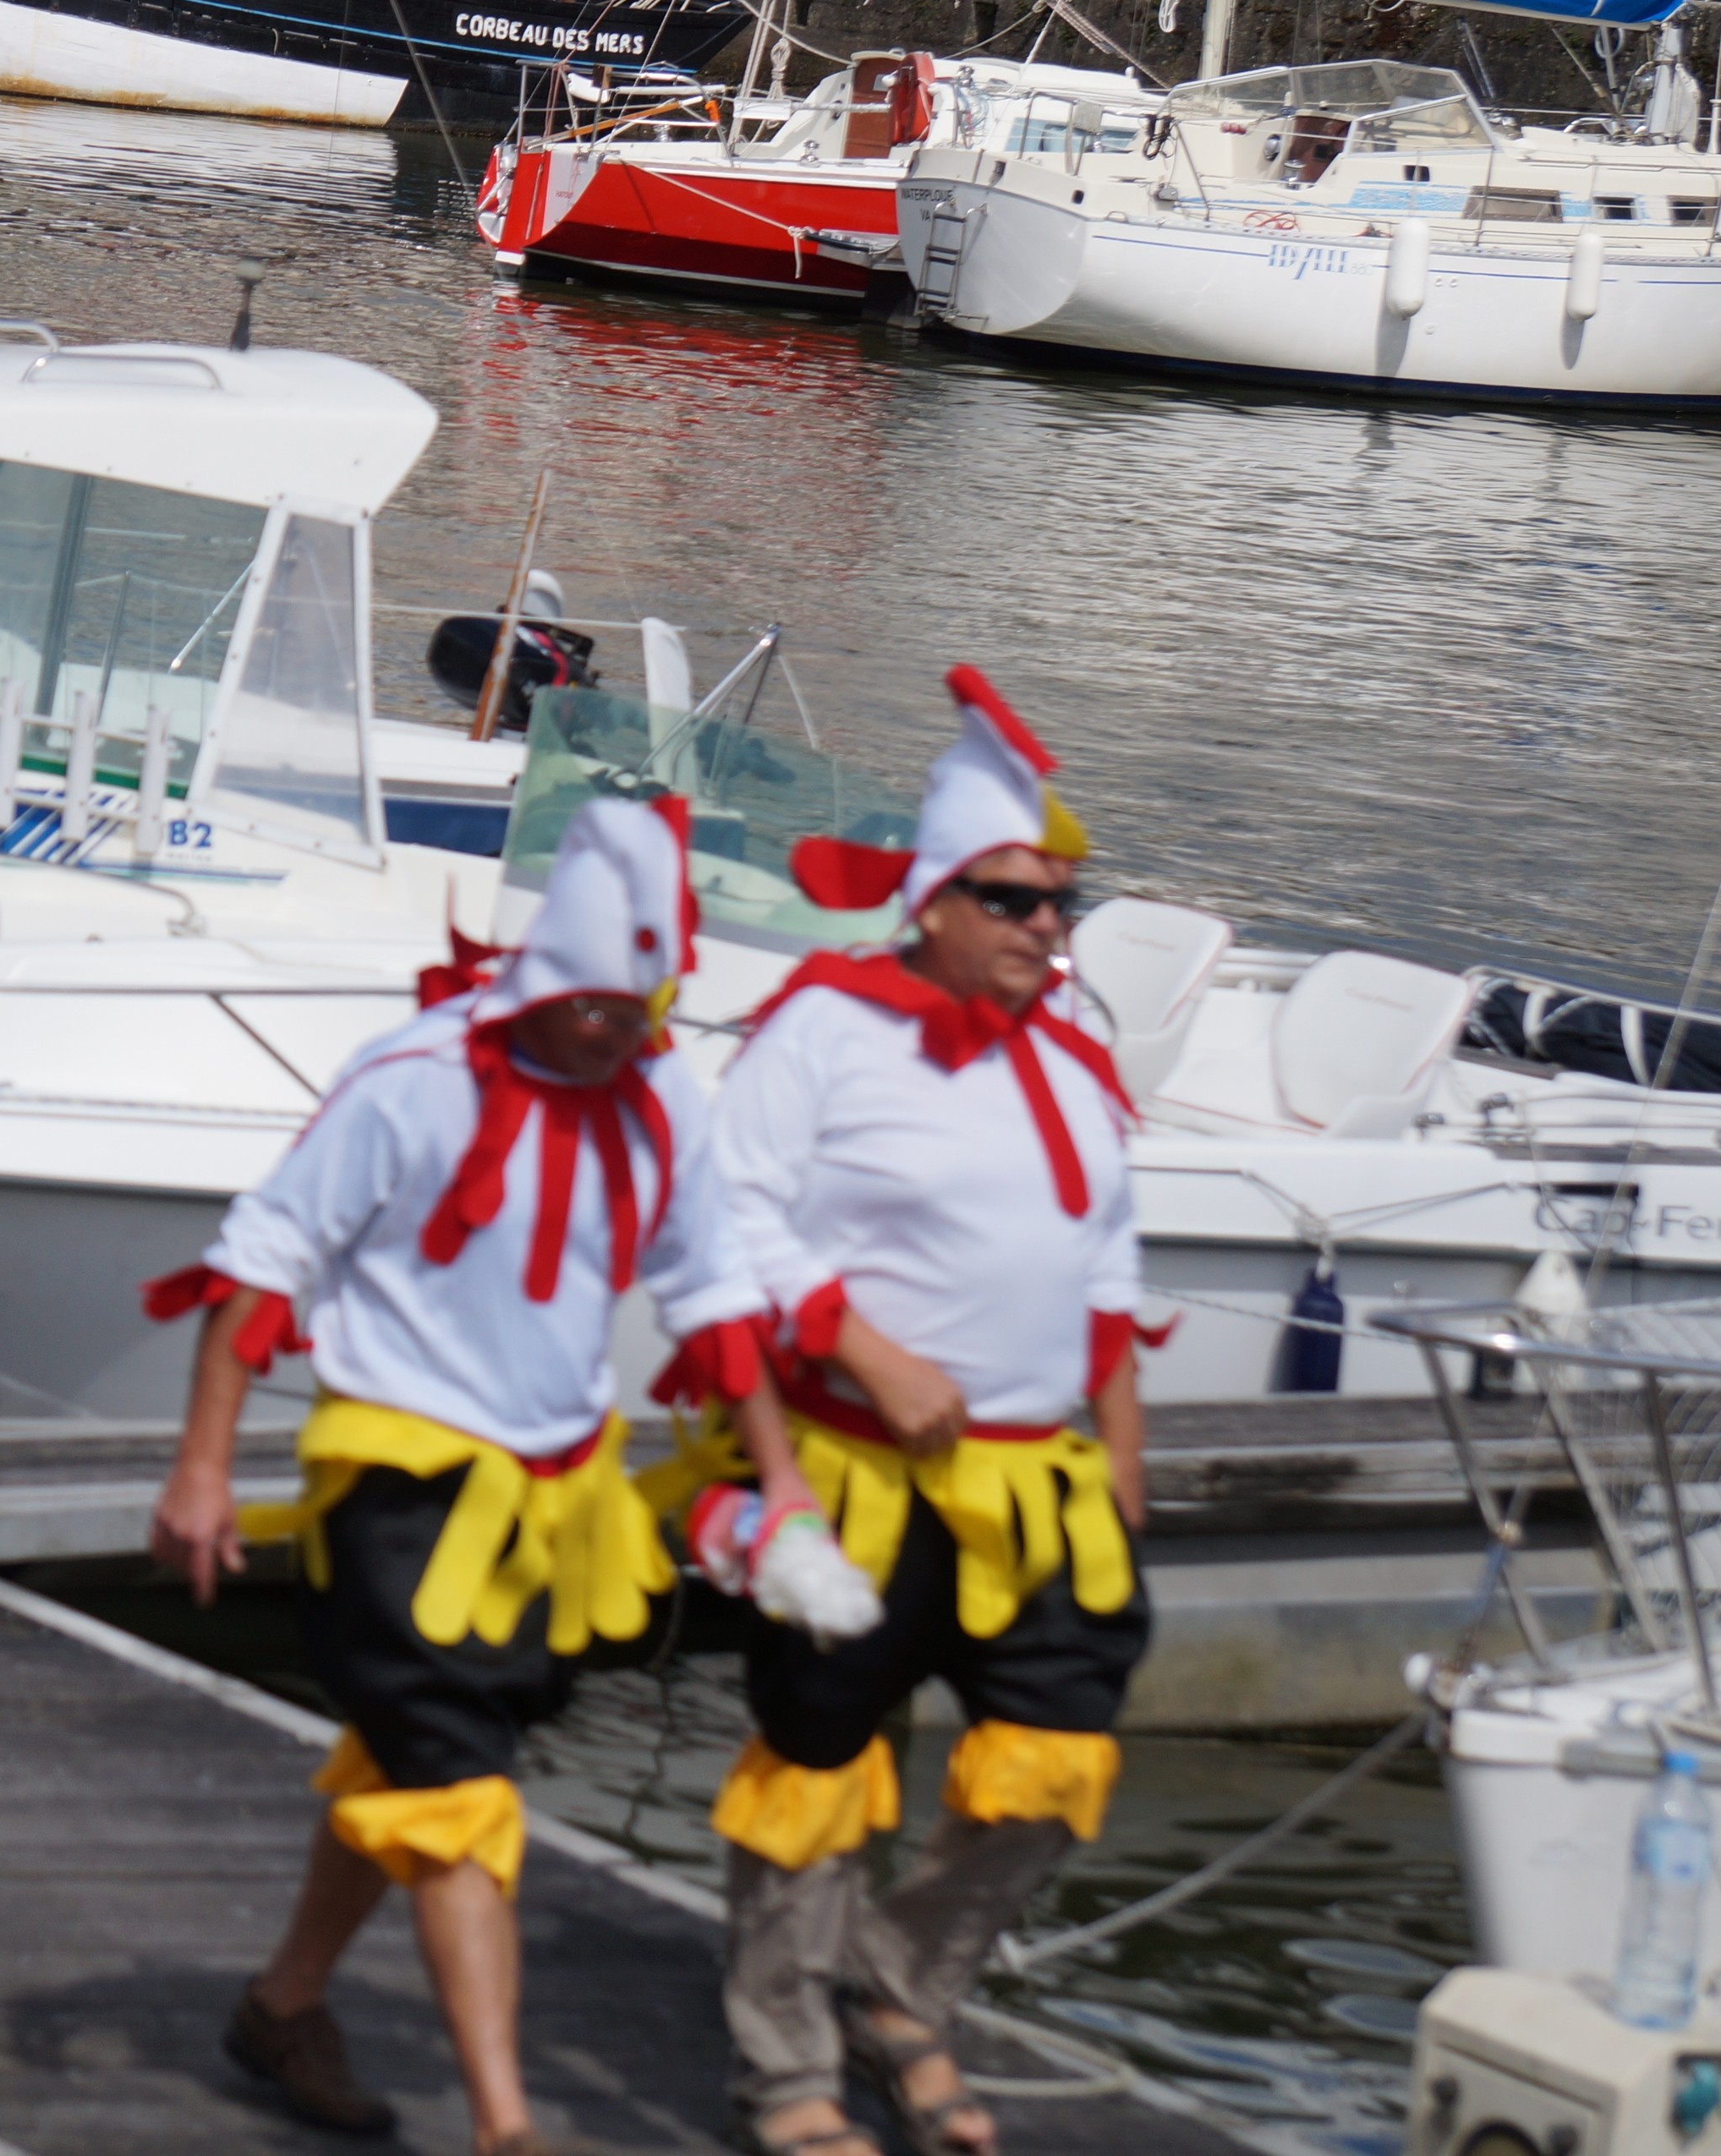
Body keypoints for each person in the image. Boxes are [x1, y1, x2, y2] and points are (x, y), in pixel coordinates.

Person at [145, 797, 880, 2156]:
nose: (617, 1030)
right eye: (595, 1004)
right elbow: (262, 1264)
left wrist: (781, 1491)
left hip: (556, 1493)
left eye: (640, 1005)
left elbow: (714, 1296)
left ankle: (281, 2001)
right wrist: (201, 1464)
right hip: (397, 1476)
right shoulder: (414, 1077)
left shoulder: (661, 1092)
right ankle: (506, 2124)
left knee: (417, 1760)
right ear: (543, 982)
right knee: (464, 1791)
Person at [698, 667, 1155, 2156]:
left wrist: (1126, 1466)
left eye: (1063, 908)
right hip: (857, 1462)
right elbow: (727, 1212)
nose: (1048, 929)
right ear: (941, 900)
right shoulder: (828, 1025)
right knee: (820, 1759)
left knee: (1058, 1749)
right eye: (1019, 901)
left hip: (1040, 1485)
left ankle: (898, 1981)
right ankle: (787, 2066)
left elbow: (1107, 1278)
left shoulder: (1082, 1067)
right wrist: (857, 1339)